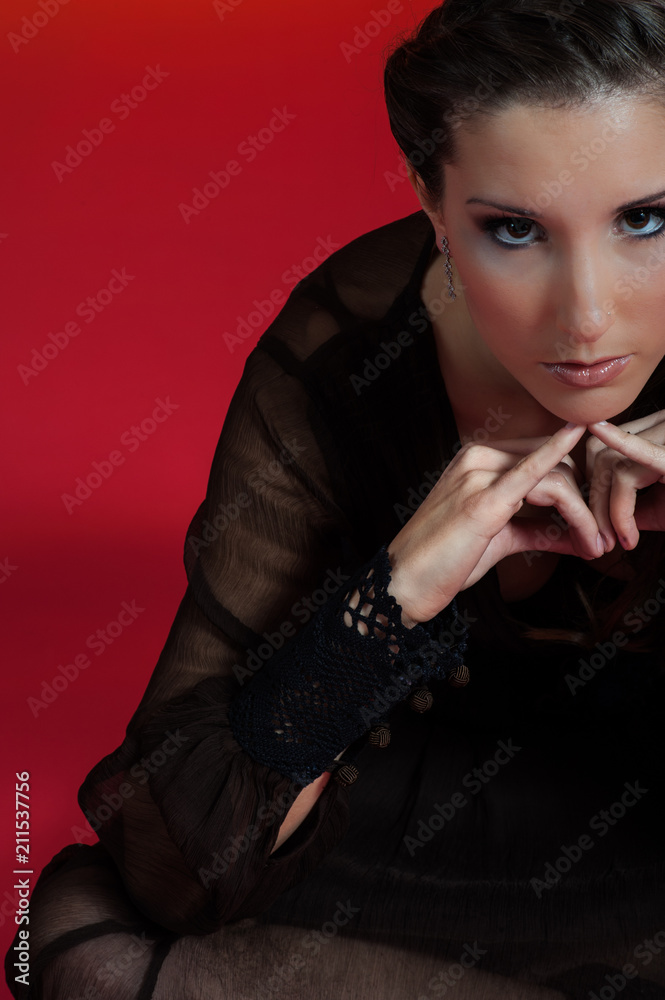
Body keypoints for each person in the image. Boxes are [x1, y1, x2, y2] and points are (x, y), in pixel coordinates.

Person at [7, 0, 665, 996]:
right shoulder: (346, 345)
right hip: (402, 805)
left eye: (645, 219)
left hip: (643, 822)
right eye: (512, 230)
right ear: (432, 205)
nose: (583, 315)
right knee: (87, 949)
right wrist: (389, 600)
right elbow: (174, 866)